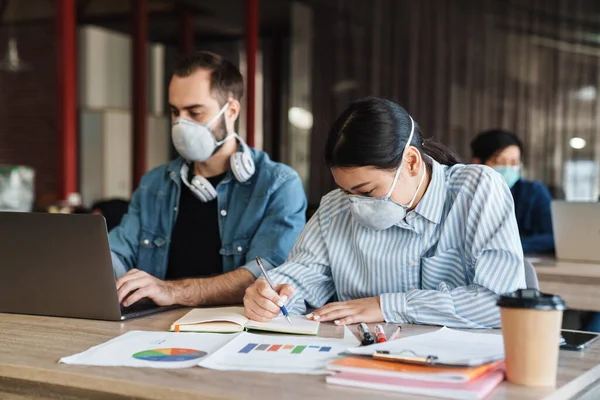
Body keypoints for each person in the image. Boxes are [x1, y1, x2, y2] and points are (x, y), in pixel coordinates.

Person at [243, 98, 525, 329]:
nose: (355, 204)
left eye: (366, 192)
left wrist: (385, 305)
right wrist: (271, 294)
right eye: (346, 191)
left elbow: (502, 302)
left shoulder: (476, 190)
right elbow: (301, 278)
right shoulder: (334, 208)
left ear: (411, 162)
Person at [110, 51, 307, 308]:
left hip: (232, 333)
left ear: (232, 110)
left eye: (195, 112)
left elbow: (266, 277)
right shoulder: (154, 184)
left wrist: (172, 291)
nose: (181, 124)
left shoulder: (278, 185)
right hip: (152, 328)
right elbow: (116, 254)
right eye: (175, 111)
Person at [471, 129, 554, 254]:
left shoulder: (534, 192)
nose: (508, 168)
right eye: (500, 162)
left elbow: (552, 236)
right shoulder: (467, 194)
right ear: (477, 162)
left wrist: (503, 245)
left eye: (514, 162)